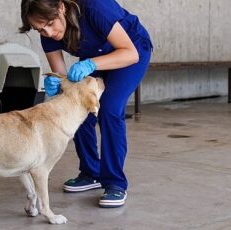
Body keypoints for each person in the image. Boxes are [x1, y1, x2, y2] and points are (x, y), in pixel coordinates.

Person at [19, 0, 152, 208]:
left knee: (109, 109)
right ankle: (91, 173)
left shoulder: (95, 8)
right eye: (40, 29)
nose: (48, 32)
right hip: (96, 55)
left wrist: (90, 64)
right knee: (75, 104)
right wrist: (56, 82)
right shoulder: (48, 34)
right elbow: (62, 77)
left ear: (61, 7)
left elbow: (130, 53)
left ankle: (115, 182)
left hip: (131, 50)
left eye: (50, 23)